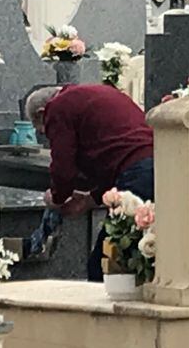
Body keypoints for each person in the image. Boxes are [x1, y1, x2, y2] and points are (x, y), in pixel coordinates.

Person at [25, 85, 154, 281]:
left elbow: (63, 166)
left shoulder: (57, 107)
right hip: (159, 166)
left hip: (137, 175)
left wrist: (56, 197)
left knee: (104, 264)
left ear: (42, 113)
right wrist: (90, 200)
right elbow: (115, 150)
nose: (45, 135)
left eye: (42, 130)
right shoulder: (92, 94)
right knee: (138, 256)